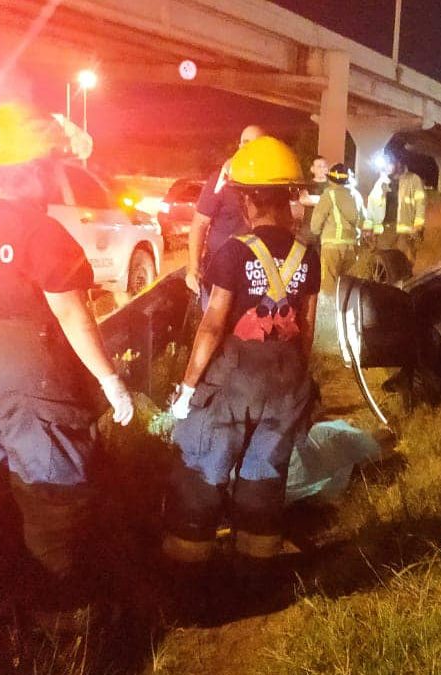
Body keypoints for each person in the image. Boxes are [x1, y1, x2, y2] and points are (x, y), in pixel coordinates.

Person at [0, 104, 134, 614]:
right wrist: (110, 382)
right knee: (52, 494)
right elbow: (73, 317)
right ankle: (61, 620)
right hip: (24, 373)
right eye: (49, 166)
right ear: (29, 172)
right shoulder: (43, 233)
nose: (54, 176)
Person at [166, 136, 319, 578]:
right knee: (264, 473)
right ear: (289, 198)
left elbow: (213, 325)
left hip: (233, 378)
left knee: (204, 465)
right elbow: (305, 328)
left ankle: (187, 576)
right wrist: (296, 381)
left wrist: (189, 387)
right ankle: (253, 574)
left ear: (249, 199)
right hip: (287, 373)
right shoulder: (308, 257)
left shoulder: (232, 252)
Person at [186, 124, 267, 310]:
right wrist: (194, 268)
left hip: (254, 273)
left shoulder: (268, 182)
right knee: (214, 325)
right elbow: (199, 224)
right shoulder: (221, 179)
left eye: (252, 143)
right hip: (218, 271)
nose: (245, 147)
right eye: (243, 142)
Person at [310, 162, 364, 295]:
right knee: (349, 288)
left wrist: (316, 233)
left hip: (331, 248)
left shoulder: (329, 194)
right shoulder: (357, 196)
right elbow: (363, 220)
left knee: (329, 287)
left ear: (331, 179)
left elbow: (315, 225)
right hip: (352, 248)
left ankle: (328, 315)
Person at [363, 154, 427, 267]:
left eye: (389, 163)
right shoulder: (381, 181)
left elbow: (420, 204)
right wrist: (368, 228)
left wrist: (418, 227)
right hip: (385, 231)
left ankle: (405, 284)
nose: (387, 166)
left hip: (405, 231)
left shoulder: (413, 179)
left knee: (404, 264)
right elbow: (372, 206)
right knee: (383, 264)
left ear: (399, 163)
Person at [296, 155, 329, 250]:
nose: (322, 169)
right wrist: (324, 200)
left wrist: (313, 199)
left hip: (326, 228)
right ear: (312, 169)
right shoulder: (307, 185)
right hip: (309, 228)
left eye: (324, 166)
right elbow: (304, 200)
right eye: (319, 166)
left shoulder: (332, 186)